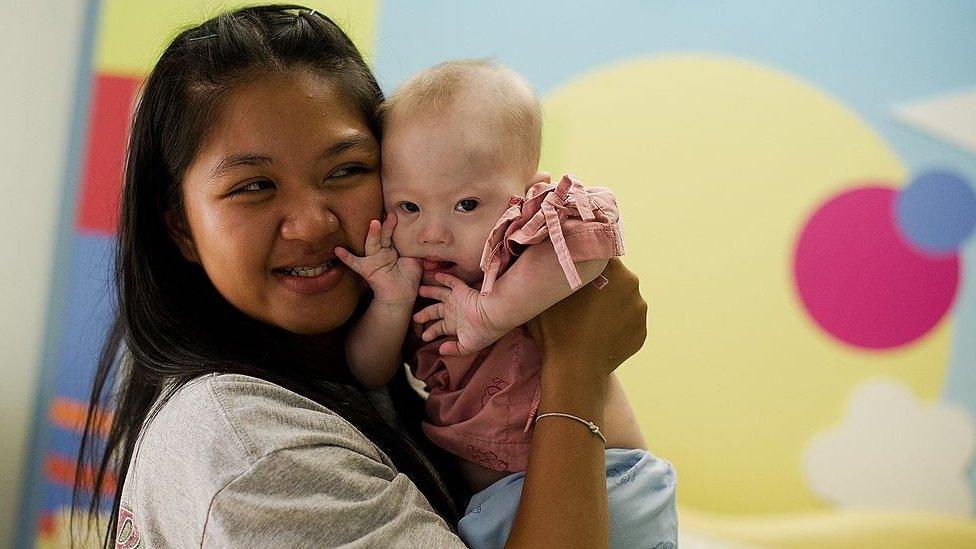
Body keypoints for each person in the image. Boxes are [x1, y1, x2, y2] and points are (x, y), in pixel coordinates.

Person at [72, 5, 649, 547]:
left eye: (347, 170)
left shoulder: (359, 363)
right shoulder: (250, 450)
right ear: (180, 228)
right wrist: (578, 364)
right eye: (254, 186)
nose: (312, 224)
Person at [338, 59, 677, 547]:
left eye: (467, 205)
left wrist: (489, 313)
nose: (432, 233)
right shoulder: (416, 281)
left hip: (607, 478)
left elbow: (592, 246)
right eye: (408, 207)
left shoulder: (520, 240)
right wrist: (390, 303)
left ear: (528, 190)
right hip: (497, 505)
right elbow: (369, 371)